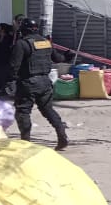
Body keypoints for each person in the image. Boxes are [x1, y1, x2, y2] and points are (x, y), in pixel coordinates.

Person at [7, 18, 69, 150]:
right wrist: (68, 56)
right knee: (48, 110)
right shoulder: (46, 43)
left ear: (23, 29)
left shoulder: (22, 44)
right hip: (45, 82)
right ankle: (61, 134)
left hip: (28, 83)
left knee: (23, 111)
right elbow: (58, 58)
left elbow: (14, 66)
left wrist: (10, 82)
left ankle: (26, 141)